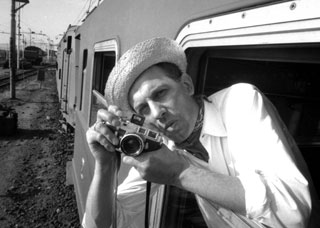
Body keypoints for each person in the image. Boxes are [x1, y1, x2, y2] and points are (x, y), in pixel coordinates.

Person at [83, 37, 319, 228]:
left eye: (160, 93)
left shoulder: (239, 102)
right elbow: (106, 223)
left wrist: (180, 173)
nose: (156, 113)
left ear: (186, 85)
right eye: (143, 109)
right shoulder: (163, 147)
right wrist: (104, 166)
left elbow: (293, 212)